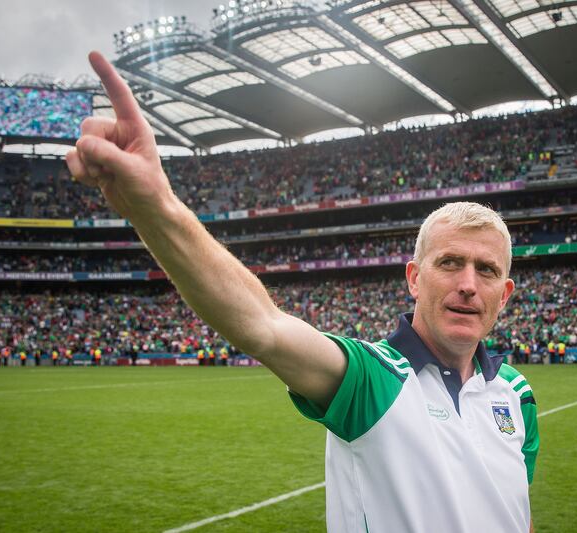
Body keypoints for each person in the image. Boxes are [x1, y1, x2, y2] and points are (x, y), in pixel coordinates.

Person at [66, 52, 538, 533]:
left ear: (505, 294)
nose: (466, 284)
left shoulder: (517, 397)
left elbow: (515, 514)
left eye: (486, 270)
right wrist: (156, 206)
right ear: (415, 278)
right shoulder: (372, 380)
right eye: (450, 263)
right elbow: (264, 327)